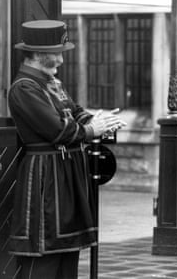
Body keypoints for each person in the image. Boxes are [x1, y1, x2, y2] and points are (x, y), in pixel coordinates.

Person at [8, 20, 126, 279]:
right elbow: (58, 130)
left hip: (65, 172)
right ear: (40, 54)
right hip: (45, 175)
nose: (61, 60)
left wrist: (100, 120)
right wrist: (92, 129)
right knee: (45, 251)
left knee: (67, 252)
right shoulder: (24, 87)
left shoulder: (52, 83)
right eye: (57, 53)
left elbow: (77, 113)